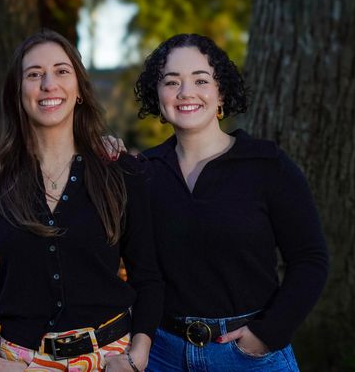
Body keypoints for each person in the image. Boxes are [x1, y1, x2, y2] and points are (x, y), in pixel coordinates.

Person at [0, 29, 163, 372]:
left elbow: (148, 277)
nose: (49, 84)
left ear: (78, 89)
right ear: (18, 92)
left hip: (110, 360)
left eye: (62, 71)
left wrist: (137, 357)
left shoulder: (121, 172)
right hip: (20, 363)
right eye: (34, 74)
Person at [134, 33, 329, 371]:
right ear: (158, 95)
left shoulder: (267, 166)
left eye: (200, 80)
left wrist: (265, 335)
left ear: (221, 92)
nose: (186, 93)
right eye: (171, 81)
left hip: (249, 355)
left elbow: (311, 260)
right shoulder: (142, 174)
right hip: (163, 355)